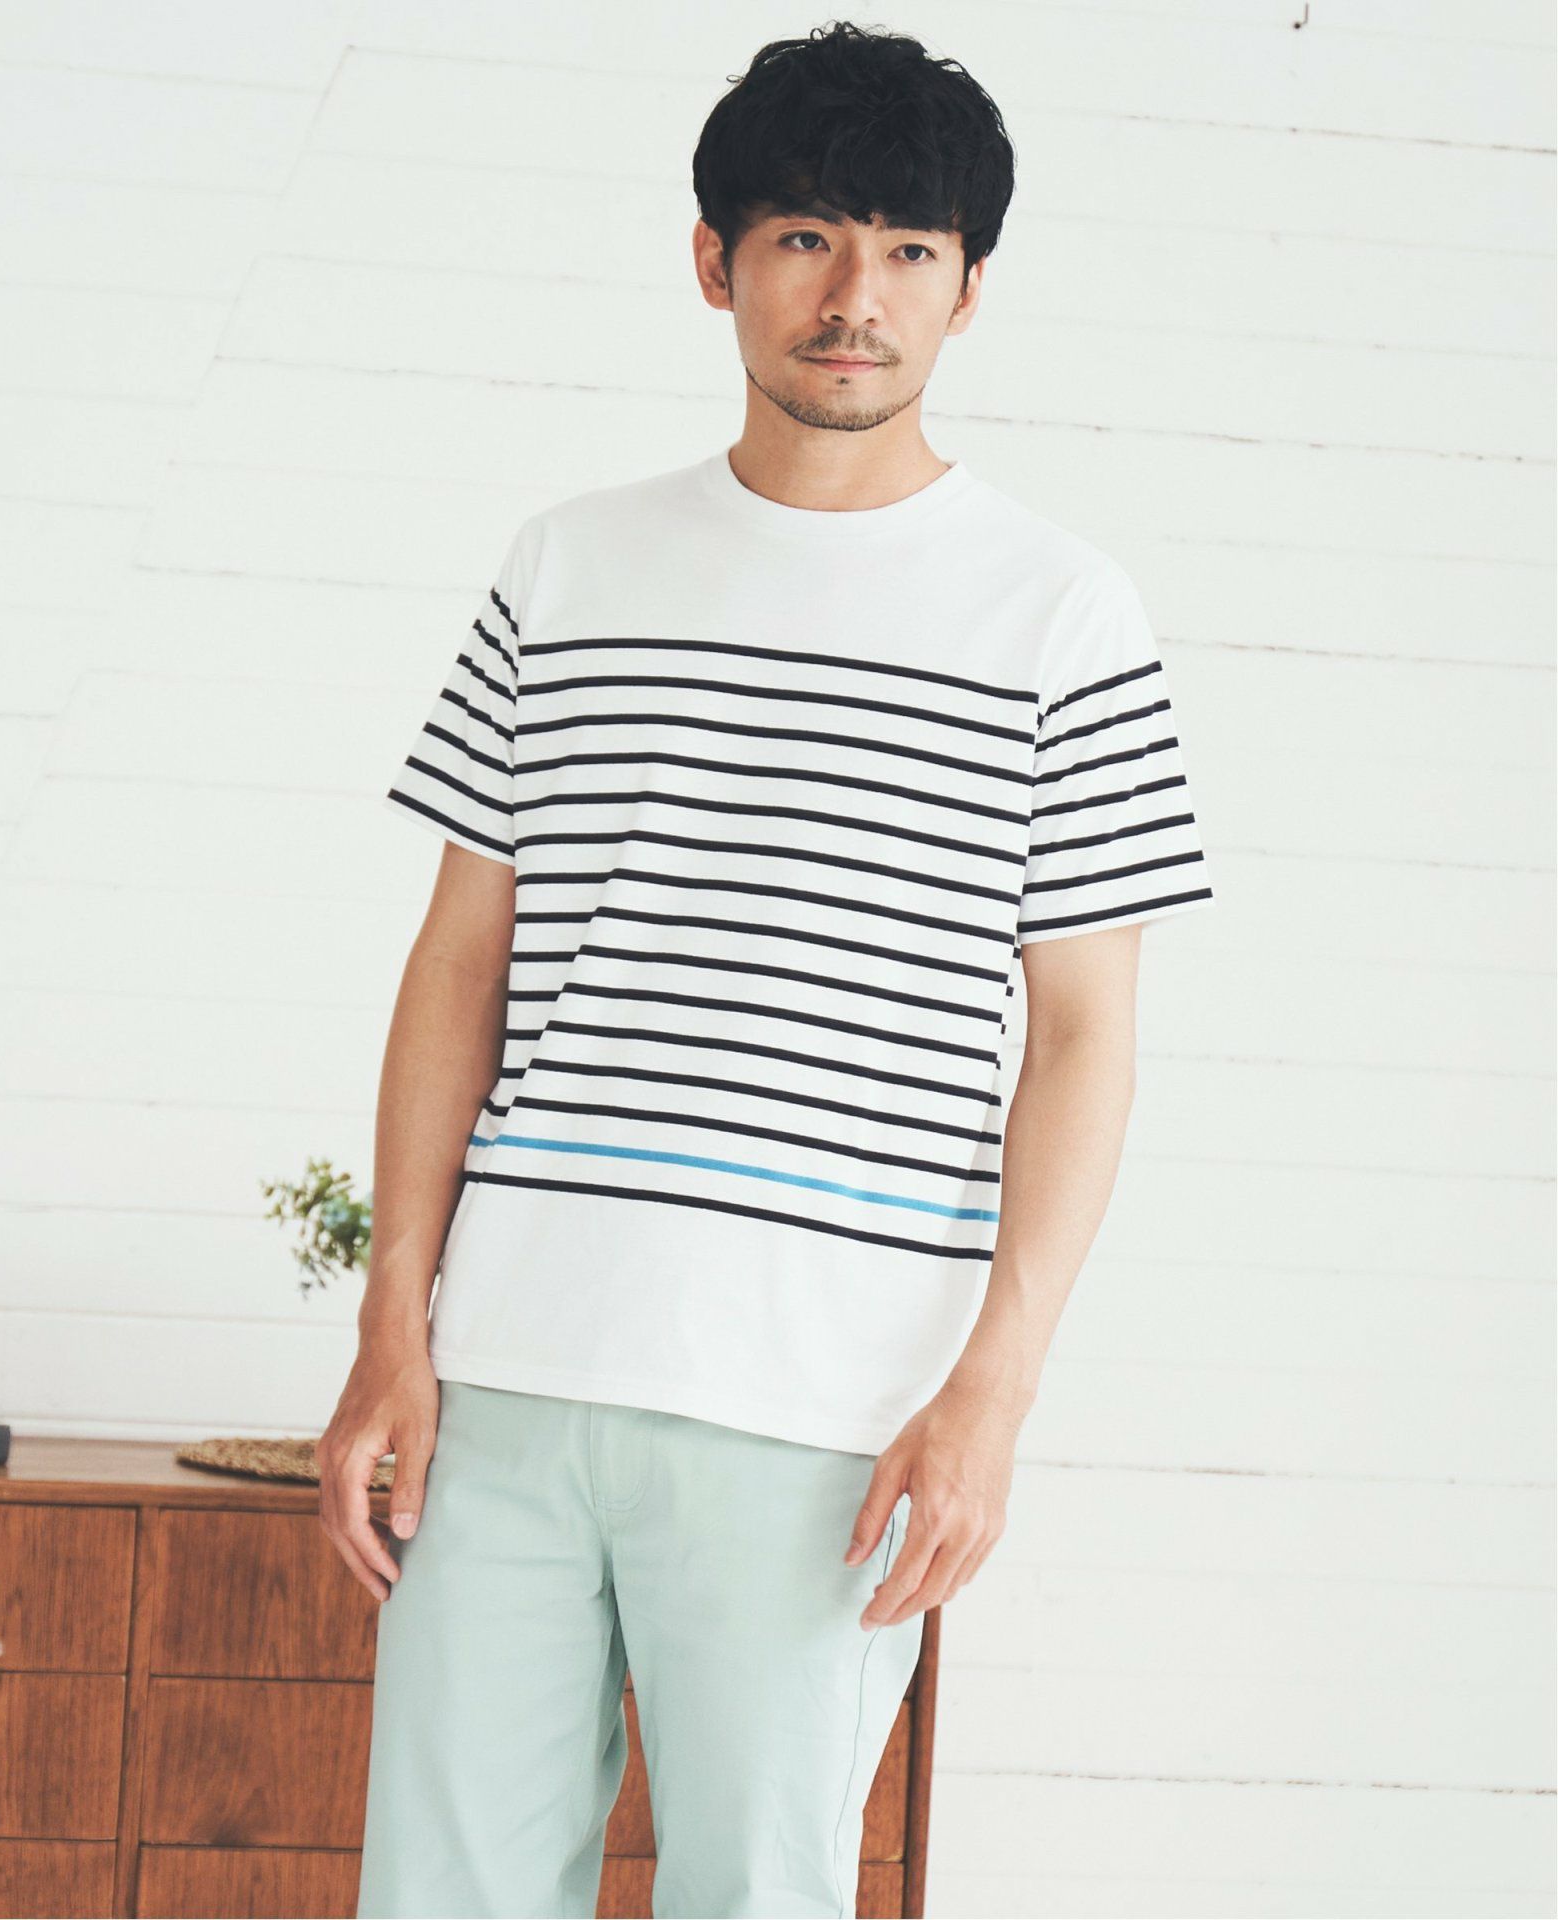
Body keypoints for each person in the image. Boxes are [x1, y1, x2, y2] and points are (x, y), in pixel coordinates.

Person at [325, 20, 1216, 1919]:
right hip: (505, 1374)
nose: (854, 297)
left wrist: (993, 1393)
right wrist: (393, 1323)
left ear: (969, 290)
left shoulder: (1061, 615)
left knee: (763, 1894)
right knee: (441, 1893)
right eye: (807, 236)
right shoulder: (567, 566)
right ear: (714, 259)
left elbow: (1082, 1042)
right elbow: (459, 962)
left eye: (909, 250)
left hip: (827, 1408)